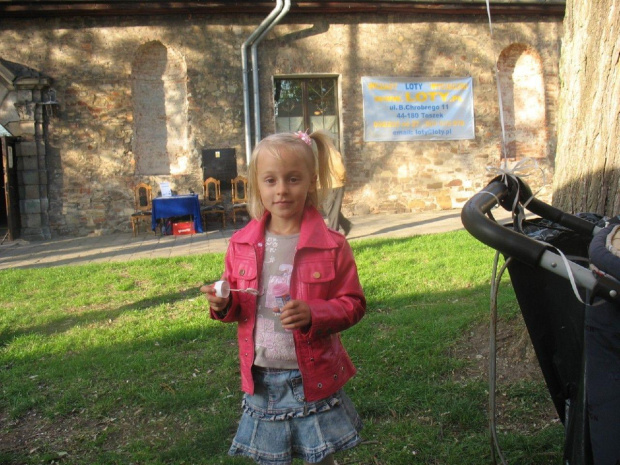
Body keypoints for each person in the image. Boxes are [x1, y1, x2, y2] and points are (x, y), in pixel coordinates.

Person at [200, 130, 366, 465]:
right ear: (257, 186)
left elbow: (354, 303)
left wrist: (314, 314)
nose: (281, 190)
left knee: (320, 456)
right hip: (262, 375)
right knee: (270, 458)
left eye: (293, 179)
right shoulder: (241, 244)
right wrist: (223, 303)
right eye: (271, 180)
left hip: (312, 374)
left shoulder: (332, 245)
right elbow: (238, 304)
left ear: (311, 182)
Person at [323, 147, 352, 236]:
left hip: (335, 184)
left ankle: (334, 233)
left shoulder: (332, 152)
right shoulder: (320, 152)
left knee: (332, 209)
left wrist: (341, 179)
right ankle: (346, 225)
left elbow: (340, 169)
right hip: (326, 185)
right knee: (328, 208)